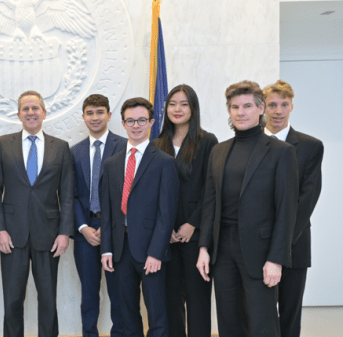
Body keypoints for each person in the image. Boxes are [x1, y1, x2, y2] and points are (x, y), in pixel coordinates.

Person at [197, 80, 298, 337]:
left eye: (247, 106)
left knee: (263, 322)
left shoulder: (281, 152)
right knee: (229, 321)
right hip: (223, 250)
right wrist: (204, 248)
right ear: (229, 111)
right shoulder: (219, 151)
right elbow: (210, 204)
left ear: (260, 108)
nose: (240, 112)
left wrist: (276, 259)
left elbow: (286, 211)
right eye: (234, 107)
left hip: (260, 250)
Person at [0, 90, 74, 337]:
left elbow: (67, 194)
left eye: (35, 108)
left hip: (49, 235)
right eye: (25, 109)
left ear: (44, 113)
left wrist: (64, 233)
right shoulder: (3, 144)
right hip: (11, 236)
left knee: (48, 300)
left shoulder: (61, 147)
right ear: (18, 115)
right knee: (12, 300)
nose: (30, 112)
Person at [100, 97, 179, 337]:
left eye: (141, 120)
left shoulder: (164, 162)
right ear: (123, 124)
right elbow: (108, 211)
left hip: (150, 251)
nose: (136, 125)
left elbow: (168, 213)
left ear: (151, 122)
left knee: (157, 313)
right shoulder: (112, 164)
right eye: (131, 121)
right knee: (126, 313)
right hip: (120, 250)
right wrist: (106, 250)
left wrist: (156, 252)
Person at [151, 85, 217, 337]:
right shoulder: (157, 143)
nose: (177, 109)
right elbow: (152, 193)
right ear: (165, 108)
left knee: (198, 301)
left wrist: (193, 224)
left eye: (184, 104)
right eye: (172, 104)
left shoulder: (207, 141)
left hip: (196, 235)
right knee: (170, 302)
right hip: (165, 236)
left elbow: (211, 189)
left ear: (193, 108)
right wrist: (165, 228)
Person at [263, 80, 324, 337]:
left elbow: (307, 198)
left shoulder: (310, 146)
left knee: (290, 312)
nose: (278, 111)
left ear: (292, 106)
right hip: (257, 243)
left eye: (284, 105)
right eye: (272, 105)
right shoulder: (249, 144)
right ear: (262, 107)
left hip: (294, 244)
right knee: (259, 313)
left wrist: (282, 244)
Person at [71, 94, 126, 337]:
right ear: (83, 117)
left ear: (109, 115)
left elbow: (130, 191)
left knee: (118, 290)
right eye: (90, 113)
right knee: (89, 292)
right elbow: (69, 195)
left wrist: (111, 223)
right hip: (86, 231)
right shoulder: (74, 152)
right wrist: (82, 226)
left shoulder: (125, 146)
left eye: (100, 112)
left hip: (115, 229)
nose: (95, 117)